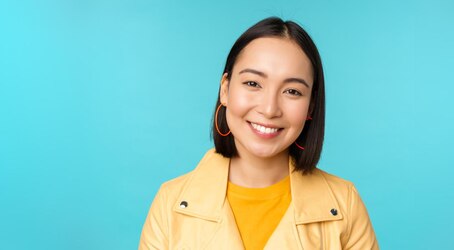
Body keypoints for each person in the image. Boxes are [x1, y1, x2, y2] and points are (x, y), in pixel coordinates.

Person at [139, 16, 379, 250]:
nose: (269, 109)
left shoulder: (344, 204)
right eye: (253, 84)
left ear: (311, 106)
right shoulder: (170, 202)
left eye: (293, 91)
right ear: (225, 89)